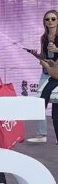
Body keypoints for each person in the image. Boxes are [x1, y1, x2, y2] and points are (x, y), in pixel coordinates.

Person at [28, 10, 58, 142]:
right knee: (41, 102)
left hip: (57, 72)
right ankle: (41, 134)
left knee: (56, 104)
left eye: (53, 19)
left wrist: (57, 50)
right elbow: (44, 55)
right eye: (47, 19)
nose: (50, 21)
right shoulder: (44, 37)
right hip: (46, 72)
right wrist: (36, 55)